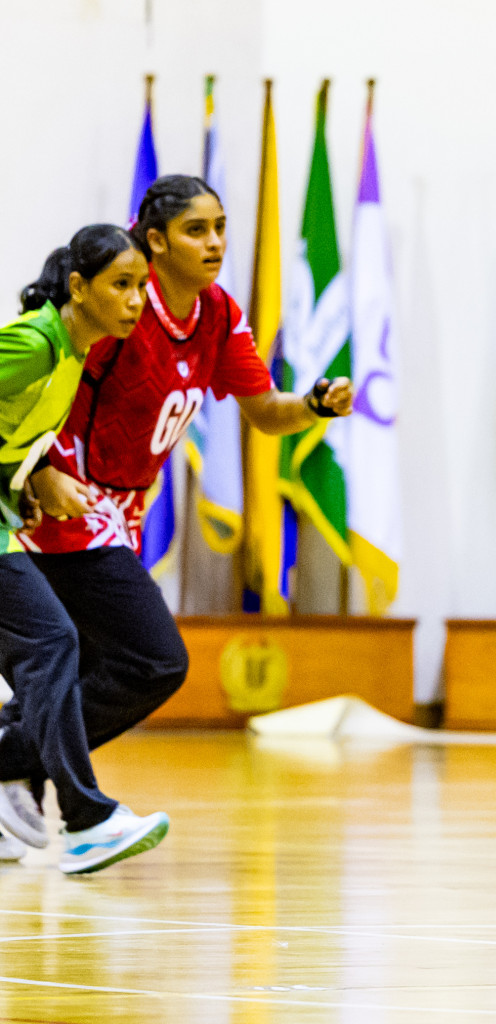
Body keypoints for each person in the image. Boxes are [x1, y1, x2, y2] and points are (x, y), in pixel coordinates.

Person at [0, 175, 354, 872]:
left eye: (222, 226)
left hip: (119, 514)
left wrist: (311, 406)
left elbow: (263, 411)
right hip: (67, 506)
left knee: (81, 662)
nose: (216, 242)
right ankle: (46, 784)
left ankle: (19, 765)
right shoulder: (117, 310)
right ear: (154, 240)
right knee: (149, 659)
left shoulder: (218, 312)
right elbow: (46, 393)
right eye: (198, 230)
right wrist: (40, 471)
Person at [0, 224, 163, 873]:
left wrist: (22, 487)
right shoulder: (36, 344)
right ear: (77, 286)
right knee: (53, 643)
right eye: (121, 285)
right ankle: (88, 819)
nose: (135, 302)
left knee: (51, 645)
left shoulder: (71, 354)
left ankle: (80, 812)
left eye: (142, 288)